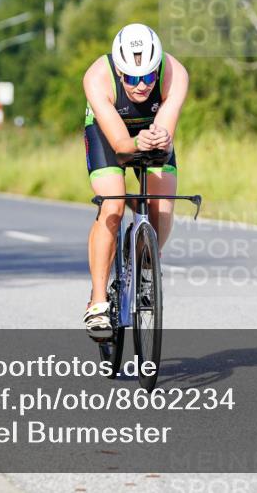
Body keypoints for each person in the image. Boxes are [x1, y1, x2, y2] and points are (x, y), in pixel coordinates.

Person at [81, 23, 189, 337]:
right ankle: (98, 302)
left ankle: (145, 268)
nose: (141, 86)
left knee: (162, 208)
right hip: (109, 132)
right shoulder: (97, 77)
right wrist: (136, 142)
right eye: (131, 78)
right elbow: (120, 146)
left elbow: (165, 137)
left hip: (150, 133)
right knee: (112, 207)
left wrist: (159, 140)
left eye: (149, 76)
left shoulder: (175, 74)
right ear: (118, 69)